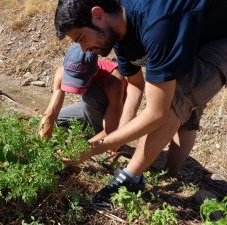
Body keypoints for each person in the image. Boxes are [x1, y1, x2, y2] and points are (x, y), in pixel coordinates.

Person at [54, 0, 227, 206]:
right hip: (191, 34)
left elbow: (157, 113)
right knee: (182, 107)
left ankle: (130, 179)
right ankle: (170, 175)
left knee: (179, 98)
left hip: (220, 38)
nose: (85, 49)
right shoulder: (118, 34)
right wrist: (117, 137)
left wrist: (92, 148)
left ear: (98, 15)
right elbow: (136, 85)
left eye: (82, 38)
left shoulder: (156, 25)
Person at [39, 44, 127, 147]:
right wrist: (43, 141)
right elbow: (51, 113)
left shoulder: (113, 79)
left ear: (95, 71)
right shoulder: (62, 71)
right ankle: (89, 129)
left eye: (81, 79)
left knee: (90, 95)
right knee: (58, 122)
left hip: (113, 113)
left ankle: (96, 132)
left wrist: (80, 151)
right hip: (87, 107)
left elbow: (110, 130)